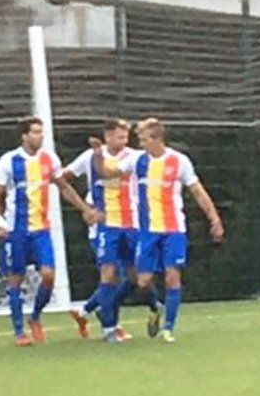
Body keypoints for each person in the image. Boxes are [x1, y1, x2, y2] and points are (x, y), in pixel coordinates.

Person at [91, 118, 224, 343]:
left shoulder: (179, 161)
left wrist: (214, 219)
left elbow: (198, 191)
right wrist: (97, 154)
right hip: (147, 231)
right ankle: (155, 311)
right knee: (142, 281)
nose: (140, 144)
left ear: (157, 139)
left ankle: (168, 328)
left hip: (174, 229)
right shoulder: (136, 160)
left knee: (173, 276)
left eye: (143, 139)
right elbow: (106, 173)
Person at [0, 116, 101, 347]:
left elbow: (64, 187)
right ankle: (19, 331)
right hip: (15, 230)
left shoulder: (49, 159)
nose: (40, 136)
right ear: (24, 135)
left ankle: (36, 317)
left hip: (41, 229)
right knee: (15, 281)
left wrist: (84, 209)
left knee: (49, 275)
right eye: (36, 132)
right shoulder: (9, 161)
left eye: (41, 132)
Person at [64, 119, 160, 343]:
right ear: (107, 137)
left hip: (133, 224)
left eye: (126, 137)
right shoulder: (89, 157)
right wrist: (85, 208)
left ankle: (89, 310)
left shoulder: (134, 157)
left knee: (138, 276)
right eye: (119, 137)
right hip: (104, 226)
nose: (124, 142)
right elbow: (60, 179)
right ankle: (110, 328)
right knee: (110, 274)